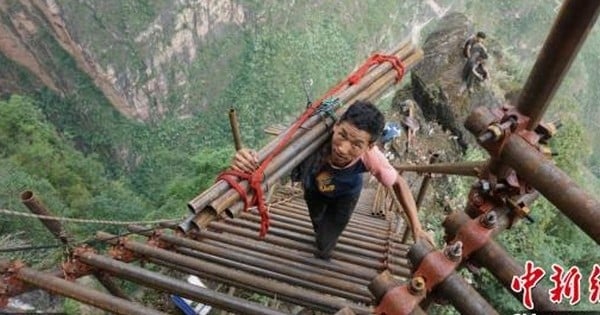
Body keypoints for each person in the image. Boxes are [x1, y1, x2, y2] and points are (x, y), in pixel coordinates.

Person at [231, 101, 434, 260]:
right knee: (317, 221)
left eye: (356, 144)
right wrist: (249, 157)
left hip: (346, 196)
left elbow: (399, 183)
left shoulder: (373, 158)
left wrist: (416, 227)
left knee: (327, 239)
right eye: (342, 135)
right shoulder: (313, 137)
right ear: (336, 126)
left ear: (370, 146)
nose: (343, 148)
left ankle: (323, 253)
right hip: (314, 188)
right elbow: (277, 153)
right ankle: (321, 233)